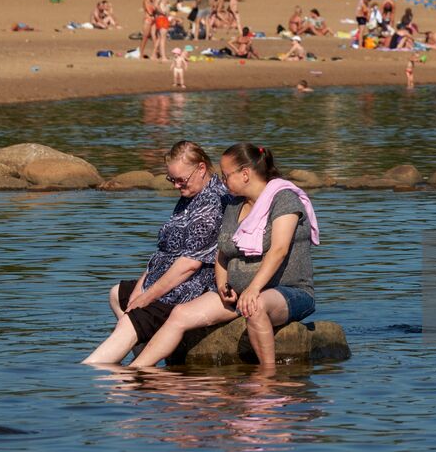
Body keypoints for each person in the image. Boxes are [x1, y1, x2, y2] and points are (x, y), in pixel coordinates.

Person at [129, 143, 318, 371]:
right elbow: (222, 252)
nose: (222, 181)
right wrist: (221, 285)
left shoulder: (284, 200)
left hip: (287, 290)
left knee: (255, 306)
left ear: (245, 174)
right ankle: (136, 371)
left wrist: (253, 288)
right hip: (237, 293)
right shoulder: (234, 205)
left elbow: (279, 250)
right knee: (180, 314)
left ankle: (268, 377)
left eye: (226, 175)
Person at [83, 140, 229, 365]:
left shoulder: (211, 204)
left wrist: (146, 297)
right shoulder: (190, 196)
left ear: (201, 169)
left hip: (190, 286)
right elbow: (163, 253)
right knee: (117, 295)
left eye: (181, 179)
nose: (176, 186)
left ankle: (97, 373)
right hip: (166, 279)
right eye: (171, 180)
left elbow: (189, 265)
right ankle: (145, 358)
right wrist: (141, 287)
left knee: (130, 322)